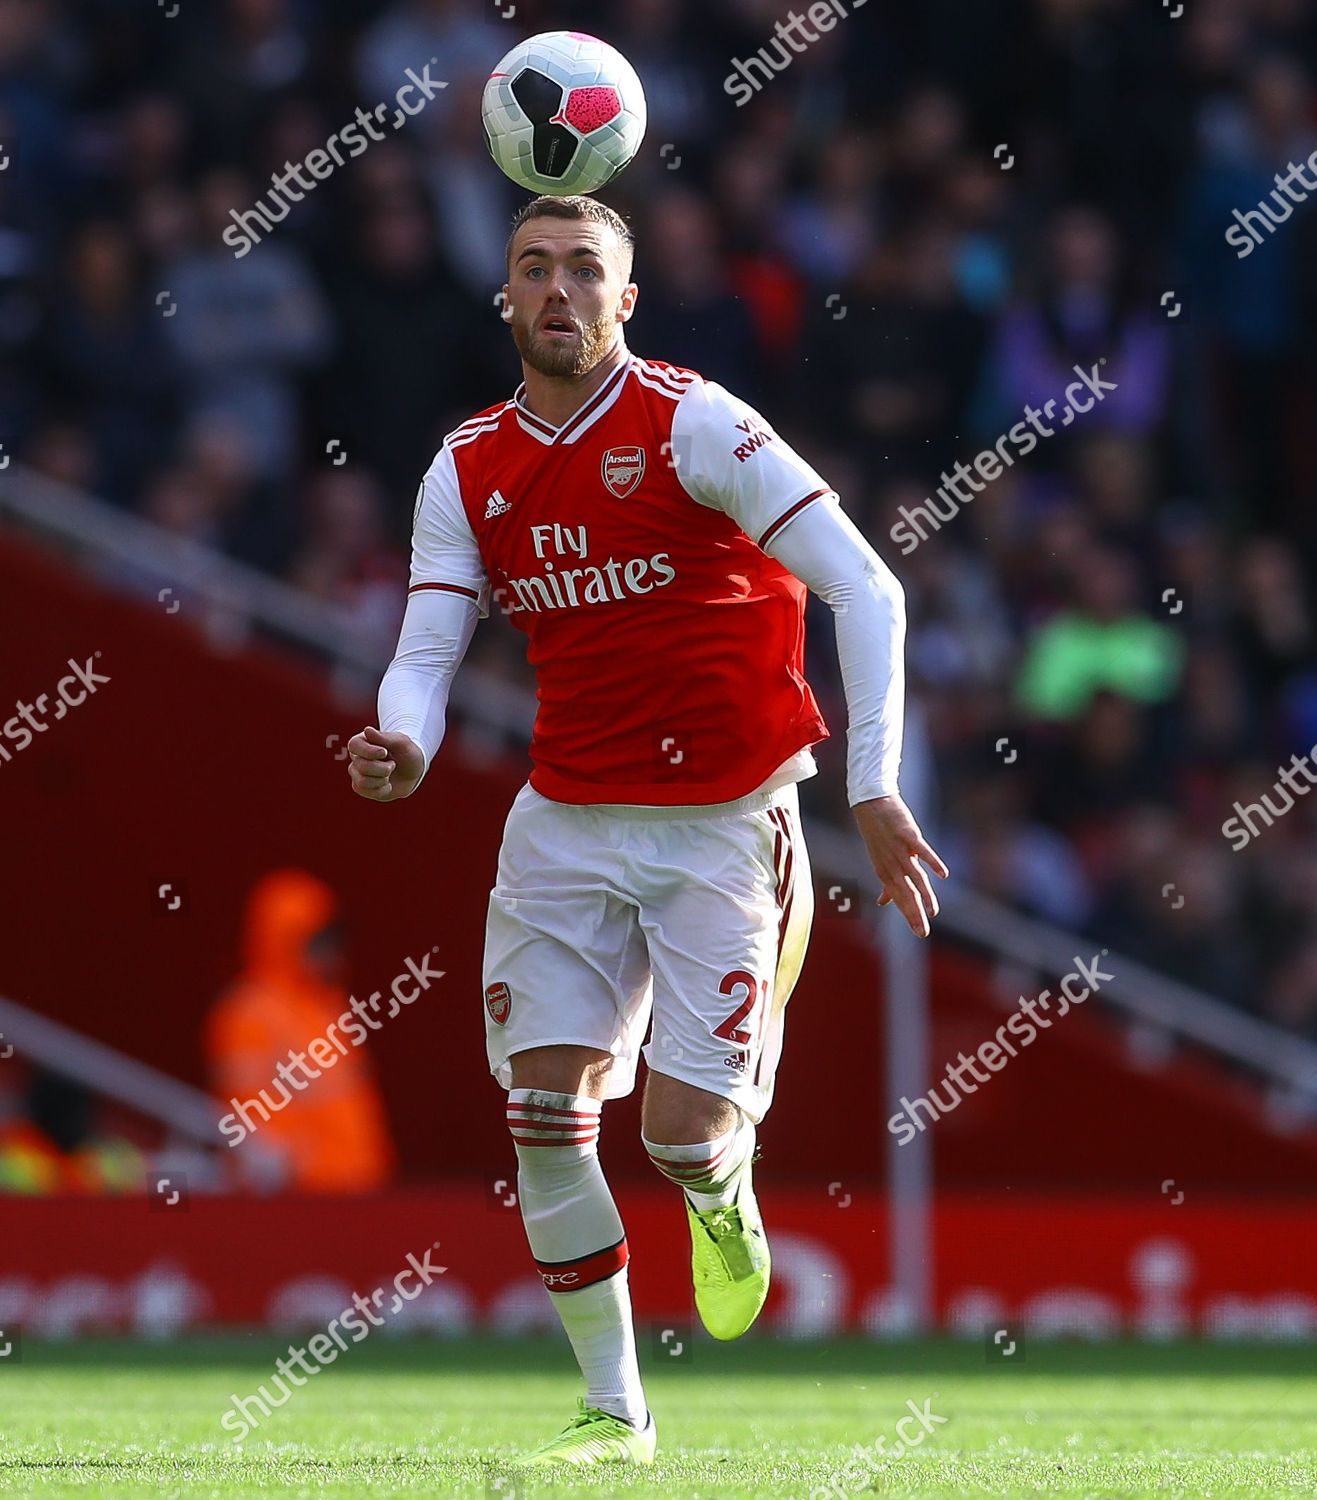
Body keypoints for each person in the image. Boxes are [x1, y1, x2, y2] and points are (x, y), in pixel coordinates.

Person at [347, 195, 946, 1466]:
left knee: (676, 1134)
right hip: (563, 821)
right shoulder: (465, 467)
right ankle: (616, 1413)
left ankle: (719, 1190)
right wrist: (406, 738)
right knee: (543, 1116)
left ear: (626, 301)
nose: (556, 290)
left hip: (723, 827)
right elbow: (425, 652)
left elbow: (867, 585)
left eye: (583, 271)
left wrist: (874, 784)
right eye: (532, 269)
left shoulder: (697, 423)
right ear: (503, 298)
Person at [204, 869, 396, 1193]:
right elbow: (247, 1111)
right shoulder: (246, 1012)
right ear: (286, 938)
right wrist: (298, 1169)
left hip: (359, 1187)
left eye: (334, 937)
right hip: (298, 1196)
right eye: (319, 939)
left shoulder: (328, 1006)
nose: (332, 950)